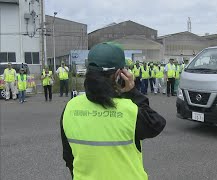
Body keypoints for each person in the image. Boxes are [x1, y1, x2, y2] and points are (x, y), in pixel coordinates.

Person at [60, 43, 166, 179]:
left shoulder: (70, 107)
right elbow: (156, 124)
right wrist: (132, 92)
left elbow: (68, 157)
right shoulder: (129, 110)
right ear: (119, 74)